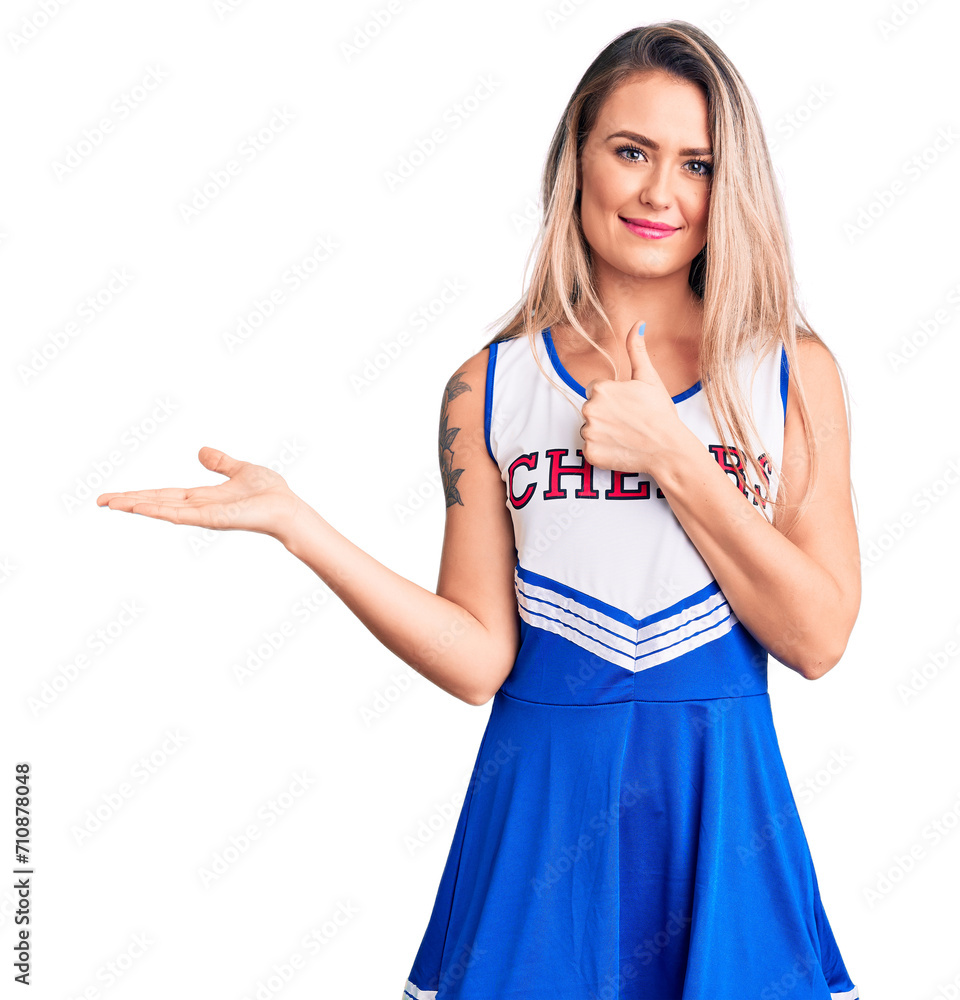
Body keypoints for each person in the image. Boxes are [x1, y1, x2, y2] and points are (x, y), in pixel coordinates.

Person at [96, 20, 861, 999]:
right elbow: (479, 660)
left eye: (698, 164)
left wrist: (673, 455)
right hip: (539, 811)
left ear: (732, 183)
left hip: (719, 802)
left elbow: (820, 636)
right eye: (630, 152)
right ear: (576, 160)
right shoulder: (487, 388)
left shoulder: (791, 371)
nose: (661, 193)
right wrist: (303, 527)